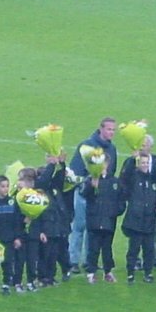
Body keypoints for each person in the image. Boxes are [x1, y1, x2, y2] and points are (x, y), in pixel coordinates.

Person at [68, 117, 118, 274]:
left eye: (113, 130)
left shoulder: (112, 149)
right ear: (101, 129)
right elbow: (75, 169)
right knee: (79, 226)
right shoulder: (87, 146)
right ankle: (73, 260)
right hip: (85, 192)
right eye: (109, 129)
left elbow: (112, 170)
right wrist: (88, 182)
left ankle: (90, 261)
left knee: (93, 228)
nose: (111, 132)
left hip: (101, 196)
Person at [80, 154, 125, 284]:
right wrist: (91, 186)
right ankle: (91, 272)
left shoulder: (114, 182)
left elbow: (121, 200)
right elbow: (83, 194)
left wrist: (115, 212)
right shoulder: (91, 180)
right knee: (93, 246)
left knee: (107, 247)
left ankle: (108, 271)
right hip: (94, 220)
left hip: (109, 220)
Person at [120, 153, 156, 284]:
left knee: (149, 249)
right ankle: (130, 273)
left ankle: (148, 272)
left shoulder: (152, 179)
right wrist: (132, 159)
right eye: (142, 162)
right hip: (135, 221)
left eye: (147, 163)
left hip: (149, 220)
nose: (145, 165)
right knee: (134, 248)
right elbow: (124, 176)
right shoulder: (133, 178)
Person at [35, 154, 72, 287]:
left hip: (57, 226)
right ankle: (42, 277)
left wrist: (61, 164)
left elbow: (60, 178)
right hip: (46, 227)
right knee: (45, 254)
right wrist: (51, 164)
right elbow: (44, 181)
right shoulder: (39, 188)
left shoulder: (54, 188)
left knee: (54, 254)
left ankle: (50, 276)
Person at [0, 175, 24, 295]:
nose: (5, 189)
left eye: (7, 186)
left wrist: (17, 238)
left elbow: (17, 222)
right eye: (3, 186)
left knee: (7, 263)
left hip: (9, 239)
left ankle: (6, 285)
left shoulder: (13, 203)